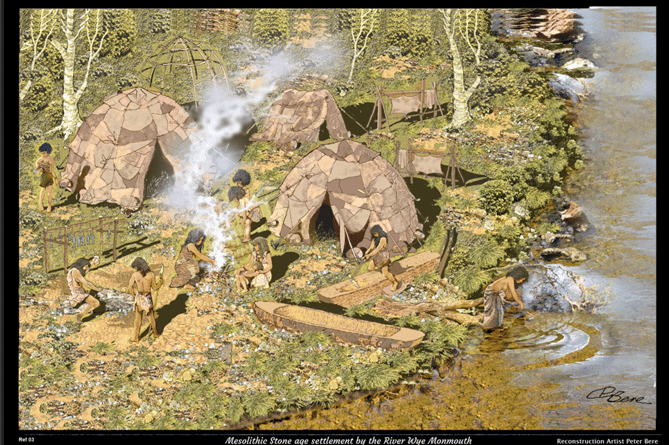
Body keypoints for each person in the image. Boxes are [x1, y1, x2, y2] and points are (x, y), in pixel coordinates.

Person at [128, 257, 164, 342]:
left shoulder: (135, 275)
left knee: (138, 319)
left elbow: (130, 287)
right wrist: (160, 283)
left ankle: (136, 338)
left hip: (139, 298)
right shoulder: (151, 274)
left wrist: (134, 295)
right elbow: (155, 287)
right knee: (151, 317)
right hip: (147, 298)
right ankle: (155, 333)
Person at [482, 266, 529, 330]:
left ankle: (497, 327)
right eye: (522, 279)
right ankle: (487, 327)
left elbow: (509, 296)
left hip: (496, 294)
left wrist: (516, 296)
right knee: (492, 311)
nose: (521, 281)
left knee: (499, 311)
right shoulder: (510, 279)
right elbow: (513, 292)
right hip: (490, 292)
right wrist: (520, 303)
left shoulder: (507, 281)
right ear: (519, 275)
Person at [364, 225, 400, 291]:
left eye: (375, 233)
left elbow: (378, 249)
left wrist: (369, 255)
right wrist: (366, 253)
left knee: (385, 273)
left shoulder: (383, 238)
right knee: (370, 268)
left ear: (379, 231)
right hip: (378, 256)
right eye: (373, 234)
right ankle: (387, 277)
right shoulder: (374, 238)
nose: (375, 235)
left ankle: (395, 282)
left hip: (384, 257)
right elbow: (372, 247)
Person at [66, 256, 102, 323]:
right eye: (87, 268)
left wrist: (93, 262)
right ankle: (79, 316)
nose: (87, 271)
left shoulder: (75, 270)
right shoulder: (76, 272)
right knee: (96, 303)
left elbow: (87, 267)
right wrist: (97, 289)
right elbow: (87, 283)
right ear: (85, 266)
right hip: (78, 294)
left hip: (77, 292)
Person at [35, 142, 60, 213]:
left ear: (48, 152)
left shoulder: (51, 159)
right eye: (42, 153)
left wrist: (56, 178)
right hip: (44, 176)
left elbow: (52, 170)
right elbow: (37, 162)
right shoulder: (41, 159)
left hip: (49, 176)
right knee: (42, 191)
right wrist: (38, 167)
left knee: (49, 193)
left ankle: (49, 206)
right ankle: (41, 205)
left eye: (44, 153)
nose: (43, 154)